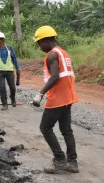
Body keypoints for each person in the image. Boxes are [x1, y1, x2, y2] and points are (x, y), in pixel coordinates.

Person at [32, 25, 79, 174]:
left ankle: (59, 160)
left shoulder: (52, 54)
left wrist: (40, 93)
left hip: (57, 98)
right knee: (66, 130)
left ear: (46, 40)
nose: (40, 47)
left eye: (40, 43)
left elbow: (55, 76)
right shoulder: (64, 53)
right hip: (68, 97)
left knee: (45, 128)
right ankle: (73, 162)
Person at [0, 32, 21, 110]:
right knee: (2, 89)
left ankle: (13, 99)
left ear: (2, 40)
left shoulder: (9, 48)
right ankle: (4, 104)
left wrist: (17, 68)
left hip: (9, 71)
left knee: (13, 88)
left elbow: (14, 59)